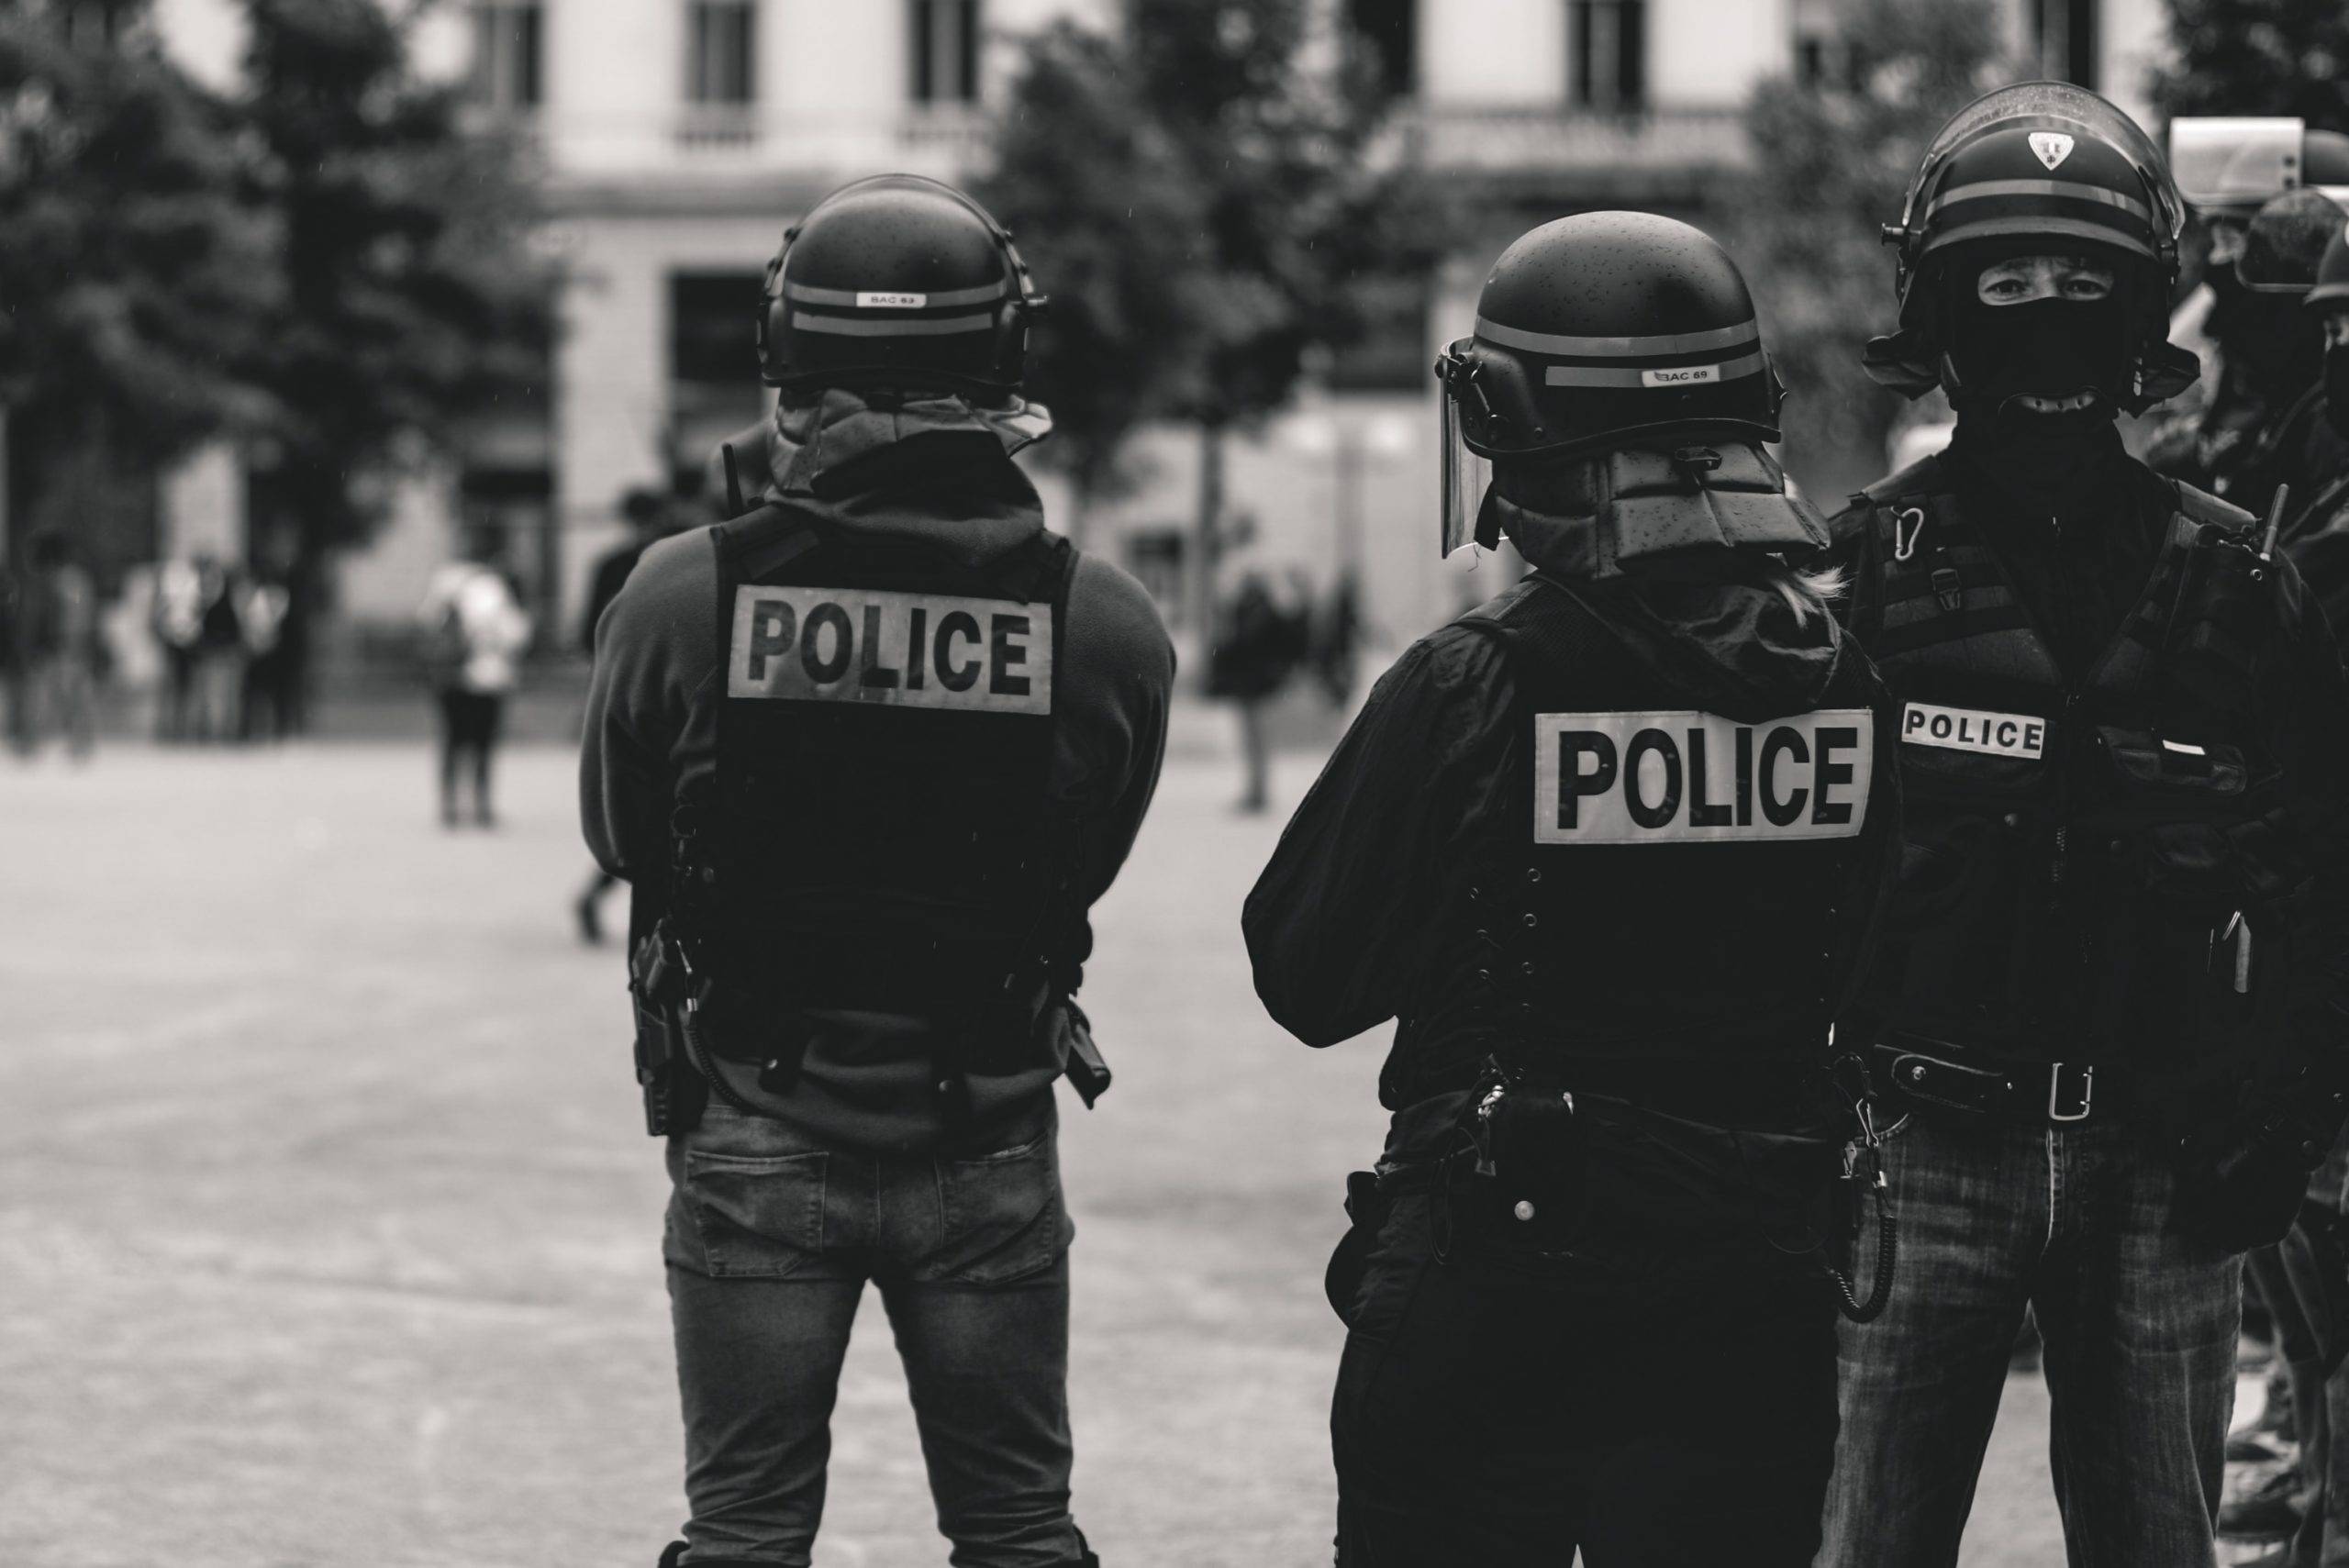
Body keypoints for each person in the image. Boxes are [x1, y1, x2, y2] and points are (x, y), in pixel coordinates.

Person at [1244, 211, 1904, 1566]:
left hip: (1498, 1280)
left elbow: (1306, 979)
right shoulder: (1850, 682)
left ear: (1517, 430)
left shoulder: (1473, 680)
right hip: (1754, 1290)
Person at [581, 172, 1173, 1568]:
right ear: (1000, 359)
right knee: (1020, 1528)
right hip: (987, 1120)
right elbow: (1094, 849)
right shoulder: (1099, 616)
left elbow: (624, 838)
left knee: (741, 1532)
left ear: (788, 359)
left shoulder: (685, 592)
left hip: (753, 1114)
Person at [1817, 83, 2349, 1567]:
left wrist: (2288, 1105)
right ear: (1941, 307)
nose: (2042, 315)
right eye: (2005, 283)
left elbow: (2318, 868)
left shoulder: (2243, 587)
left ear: (2139, 309)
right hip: (1917, 1144)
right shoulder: (1861, 575)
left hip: (2164, 1158)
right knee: (1864, 1534)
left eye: (2078, 282)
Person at [573, 487, 678, 943]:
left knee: (630, 800)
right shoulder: (676, 562)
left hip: (616, 693)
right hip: (664, 699)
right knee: (659, 803)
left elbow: (586, 634)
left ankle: (599, 892)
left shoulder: (613, 566)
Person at [418, 529, 531, 828]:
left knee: (452, 739)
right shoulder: (495, 586)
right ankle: (481, 804)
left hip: (450, 673)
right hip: (487, 674)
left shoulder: (444, 580)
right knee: (483, 741)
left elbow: (427, 623)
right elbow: (515, 633)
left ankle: (449, 804)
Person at [1206, 569, 1308, 812]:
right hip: (1253, 686)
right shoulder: (1256, 611)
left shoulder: (1259, 612)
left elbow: (1241, 644)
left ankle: (1258, 793)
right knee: (1254, 741)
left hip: (1256, 686)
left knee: (1257, 741)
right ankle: (1256, 791)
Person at [16, 528, 100, 761]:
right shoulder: (64, 580)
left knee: (65, 693)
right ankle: (38, 742)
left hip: (63, 646)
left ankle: (76, 742)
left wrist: (69, 643)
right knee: (51, 693)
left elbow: (77, 616)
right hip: (59, 646)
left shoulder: (68, 581)